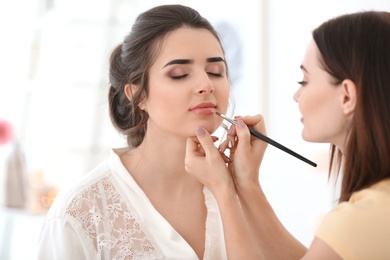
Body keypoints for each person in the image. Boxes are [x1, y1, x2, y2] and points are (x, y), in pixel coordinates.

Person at [185, 11, 390, 259]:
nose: (296, 95)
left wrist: (223, 189)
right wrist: (246, 183)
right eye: (179, 75)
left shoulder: (365, 219)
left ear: (346, 96)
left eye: (304, 81)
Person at [37, 4, 235, 259]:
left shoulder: (239, 194)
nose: (206, 85)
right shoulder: (78, 214)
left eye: (215, 71)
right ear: (137, 95)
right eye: (179, 74)